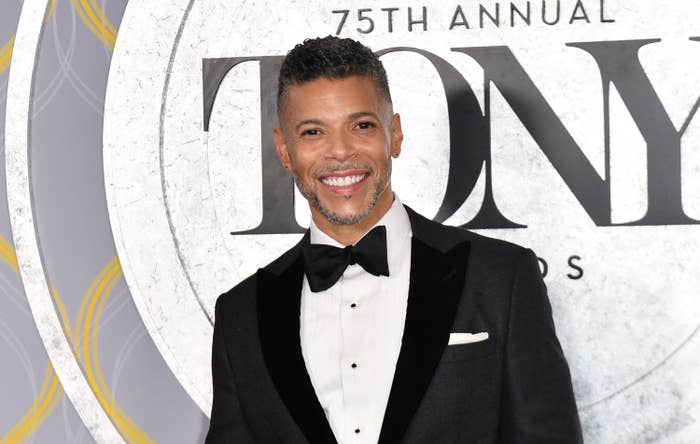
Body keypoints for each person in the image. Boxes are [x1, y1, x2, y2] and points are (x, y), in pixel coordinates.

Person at [205, 36, 582, 444]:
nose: (340, 153)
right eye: (313, 132)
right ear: (284, 149)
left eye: (361, 125)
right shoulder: (241, 314)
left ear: (395, 134)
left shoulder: (500, 279)